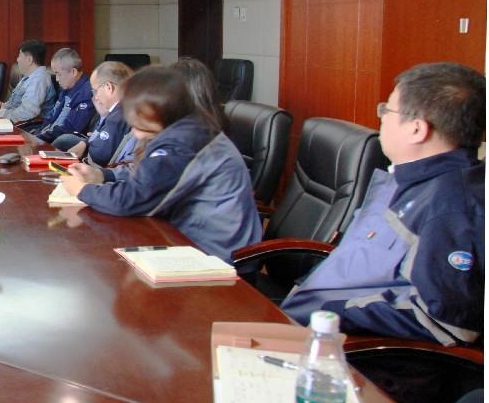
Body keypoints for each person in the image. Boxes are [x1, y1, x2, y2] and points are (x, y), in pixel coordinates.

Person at [282, 63, 484, 347]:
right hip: (305, 320)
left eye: (386, 110)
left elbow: (444, 323)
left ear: (417, 129)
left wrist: (330, 313)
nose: (381, 118)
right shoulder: (409, 178)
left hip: (349, 351)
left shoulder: (452, 207)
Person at [61, 65, 261, 262]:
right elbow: (148, 173)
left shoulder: (183, 143)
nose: (133, 127)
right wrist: (103, 175)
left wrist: (82, 189)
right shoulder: (184, 127)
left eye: (136, 116)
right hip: (186, 237)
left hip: (214, 256)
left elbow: (132, 198)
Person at [65, 60, 134, 166]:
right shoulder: (124, 106)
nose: (95, 97)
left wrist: (89, 144)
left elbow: (100, 155)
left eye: (95, 91)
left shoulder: (118, 114)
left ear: (108, 87)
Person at [32, 48, 94, 150]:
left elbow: (70, 128)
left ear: (73, 72)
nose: (56, 79)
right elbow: (51, 118)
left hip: (61, 144)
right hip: (48, 138)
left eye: (58, 74)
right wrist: (35, 135)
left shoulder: (86, 93)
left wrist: (39, 138)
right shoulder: (67, 88)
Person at [0, 40, 55, 125]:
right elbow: (15, 103)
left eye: (20, 55)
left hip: (28, 127)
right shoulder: (28, 77)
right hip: (13, 122)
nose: (17, 59)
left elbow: (28, 112)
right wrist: (2, 108)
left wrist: (2, 114)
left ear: (29, 60)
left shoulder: (39, 79)